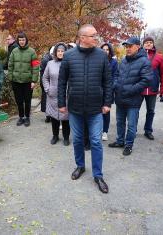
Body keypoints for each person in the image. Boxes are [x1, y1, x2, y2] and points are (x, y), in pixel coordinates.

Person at [58, 24, 112, 193]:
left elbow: (107, 82)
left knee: (96, 142)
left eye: (96, 35)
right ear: (82, 38)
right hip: (75, 108)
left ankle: (98, 175)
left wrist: (107, 103)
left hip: (96, 108)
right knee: (78, 140)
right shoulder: (68, 56)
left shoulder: (102, 56)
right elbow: (62, 81)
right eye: (93, 35)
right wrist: (61, 103)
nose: (96, 38)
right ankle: (80, 166)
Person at [108, 37, 152, 156]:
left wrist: (131, 89)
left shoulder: (144, 61)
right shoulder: (123, 60)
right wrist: (116, 85)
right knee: (120, 122)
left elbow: (146, 80)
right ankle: (120, 141)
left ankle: (129, 145)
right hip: (120, 98)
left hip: (133, 99)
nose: (127, 49)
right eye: (126, 46)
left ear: (138, 46)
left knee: (131, 125)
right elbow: (116, 74)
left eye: (130, 46)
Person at [8, 32, 40, 127]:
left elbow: (35, 66)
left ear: (26, 40)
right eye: (20, 40)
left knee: (27, 100)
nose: (21, 42)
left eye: (23, 40)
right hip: (16, 81)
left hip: (27, 82)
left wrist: (34, 81)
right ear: (18, 41)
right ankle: (21, 117)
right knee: (19, 100)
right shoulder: (14, 51)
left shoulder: (32, 51)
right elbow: (10, 65)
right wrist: (11, 78)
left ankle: (27, 117)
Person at [139, 36, 163, 140]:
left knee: (150, 111)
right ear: (143, 44)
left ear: (153, 44)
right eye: (146, 42)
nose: (148, 44)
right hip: (139, 89)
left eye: (150, 42)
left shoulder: (159, 57)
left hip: (152, 89)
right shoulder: (137, 55)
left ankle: (148, 130)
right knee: (134, 110)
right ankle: (132, 130)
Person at [43, 42, 70, 146]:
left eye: (62, 51)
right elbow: (45, 77)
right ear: (55, 52)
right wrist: (47, 88)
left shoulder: (69, 64)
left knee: (65, 118)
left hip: (65, 95)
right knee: (54, 118)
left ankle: (66, 137)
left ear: (65, 52)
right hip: (52, 95)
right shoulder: (50, 63)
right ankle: (55, 136)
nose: (60, 53)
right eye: (58, 51)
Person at [100, 43, 119, 141]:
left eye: (107, 49)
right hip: (97, 90)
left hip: (108, 90)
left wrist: (112, 86)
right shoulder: (97, 60)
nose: (105, 51)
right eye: (103, 49)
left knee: (105, 111)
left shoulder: (114, 62)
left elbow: (116, 75)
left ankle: (105, 131)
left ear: (110, 51)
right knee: (96, 111)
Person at [40, 46, 54, 123]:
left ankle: (50, 115)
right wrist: (44, 85)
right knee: (46, 99)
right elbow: (43, 74)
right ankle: (47, 116)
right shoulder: (46, 60)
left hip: (52, 82)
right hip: (47, 82)